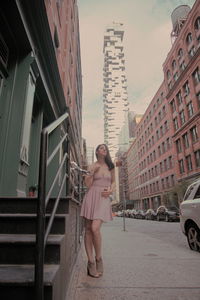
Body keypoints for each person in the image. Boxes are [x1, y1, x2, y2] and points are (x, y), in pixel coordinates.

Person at [80, 144, 115, 278]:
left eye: (105, 149)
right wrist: (91, 172)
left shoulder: (110, 166)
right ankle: (90, 262)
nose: (103, 150)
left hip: (103, 198)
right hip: (91, 196)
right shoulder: (92, 165)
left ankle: (99, 258)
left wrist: (111, 190)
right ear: (96, 151)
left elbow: (113, 182)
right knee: (88, 229)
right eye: (101, 148)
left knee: (95, 228)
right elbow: (87, 184)